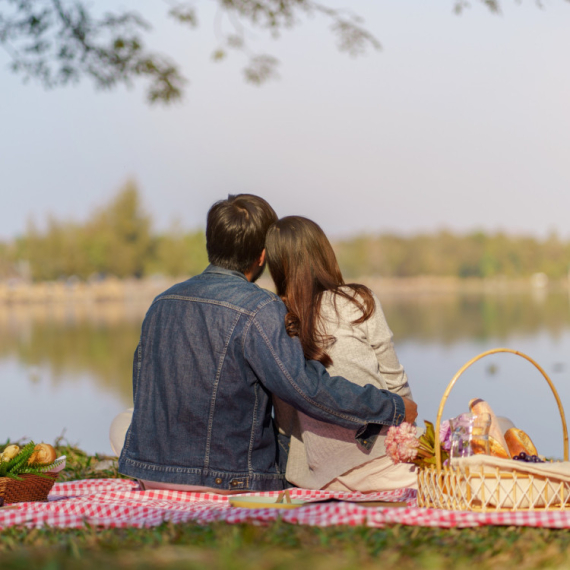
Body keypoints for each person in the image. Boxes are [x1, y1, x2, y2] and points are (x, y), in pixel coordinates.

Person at [114, 195, 417, 493]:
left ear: (211, 244)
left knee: (122, 421)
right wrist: (391, 406)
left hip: (151, 470)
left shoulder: (161, 302)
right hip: (227, 478)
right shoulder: (260, 308)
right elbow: (306, 389)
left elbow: (144, 389)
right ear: (262, 257)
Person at [266, 216, 417, 492]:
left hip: (323, 475)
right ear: (323, 253)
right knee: (498, 426)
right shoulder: (357, 300)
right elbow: (395, 383)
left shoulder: (278, 319)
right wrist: (410, 437)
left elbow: (285, 419)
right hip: (384, 459)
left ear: (276, 266)